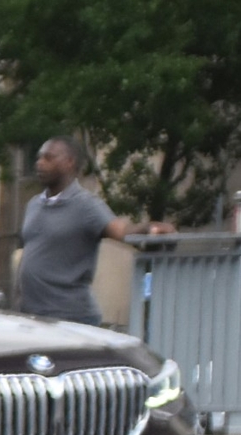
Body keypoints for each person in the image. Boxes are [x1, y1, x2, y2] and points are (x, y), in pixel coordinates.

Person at [17, 139, 170, 326]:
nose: (39, 163)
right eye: (39, 158)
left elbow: (121, 231)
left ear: (69, 162)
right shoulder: (34, 205)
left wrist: (149, 228)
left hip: (69, 318)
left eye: (48, 158)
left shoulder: (86, 205)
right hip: (32, 315)